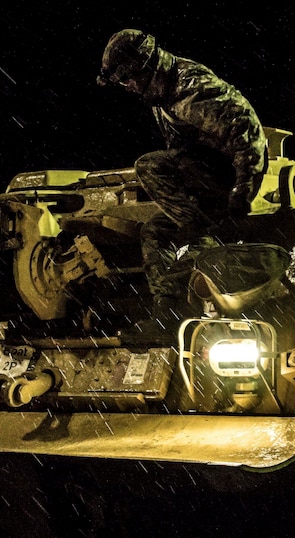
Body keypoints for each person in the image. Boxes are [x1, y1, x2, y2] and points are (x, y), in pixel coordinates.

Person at [97, 29, 268, 339]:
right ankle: (167, 315)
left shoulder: (193, 89)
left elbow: (248, 133)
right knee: (155, 232)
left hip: (227, 183)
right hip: (204, 185)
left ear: (144, 69)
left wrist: (243, 192)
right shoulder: (161, 96)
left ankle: (202, 233)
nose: (128, 88)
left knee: (150, 166)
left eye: (127, 80)